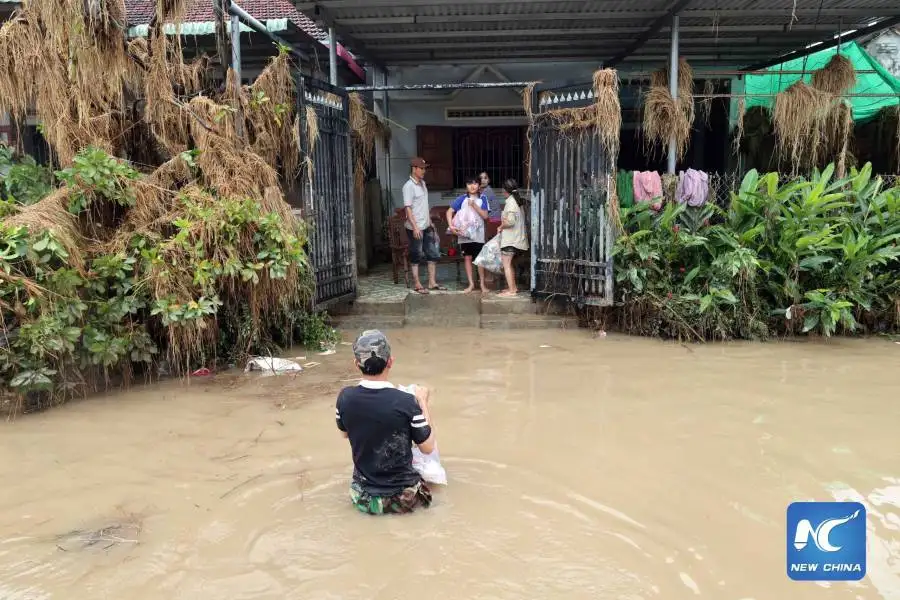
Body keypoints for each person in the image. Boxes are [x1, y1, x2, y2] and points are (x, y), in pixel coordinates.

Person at [335, 330, 436, 515]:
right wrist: (422, 402)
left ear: (356, 364)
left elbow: (344, 434)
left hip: (364, 499)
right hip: (405, 500)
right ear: (390, 361)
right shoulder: (406, 401)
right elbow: (428, 448)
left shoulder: (344, 398)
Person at [402, 157, 446, 294]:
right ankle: (417, 283)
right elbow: (408, 208)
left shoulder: (423, 184)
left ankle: (432, 283)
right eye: (422, 168)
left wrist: (430, 222)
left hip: (426, 225)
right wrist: (415, 227)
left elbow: (423, 206)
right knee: (416, 254)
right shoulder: (408, 186)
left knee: (432, 253)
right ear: (414, 169)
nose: (424, 171)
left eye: (425, 168)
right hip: (415, 227)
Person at [447, 175, 490, 294]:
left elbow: (486, 216)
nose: (472, 186)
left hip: (478, 235)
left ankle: (482, 284)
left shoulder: (483, 198)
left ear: (479, 185)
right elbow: (449, 211)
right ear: (466, 186)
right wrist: (451, 226)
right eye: (469, 183)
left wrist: (474, 206)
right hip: (464, 235)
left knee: (480, 260)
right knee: (467, 258)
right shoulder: (461, 199)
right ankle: (471, 284)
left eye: (475, 183)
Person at [495, 178, 529, 297]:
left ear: (505, 190)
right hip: (516, 239)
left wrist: (501, 226)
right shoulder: (517, 201)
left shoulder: (510, 202)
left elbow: (510, 222)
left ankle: (512, 290)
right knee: (509, 264)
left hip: (510, 239)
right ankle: (513, 288)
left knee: (506, 264)